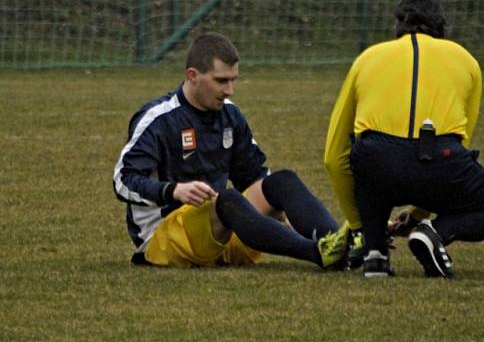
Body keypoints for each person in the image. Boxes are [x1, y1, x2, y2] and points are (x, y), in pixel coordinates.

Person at [113, 32, 349, 269]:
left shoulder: (230, 114)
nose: (230, 90)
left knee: (282, 181)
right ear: (193, 76)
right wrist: (173, 190)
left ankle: (345, 244)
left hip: (223, 229)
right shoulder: (159, 119)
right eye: (221, 81)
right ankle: (318, 253)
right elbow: (123, 181)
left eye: (233, 80)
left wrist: (282, 213)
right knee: (227, 199)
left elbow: (252, 176)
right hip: (168, 238)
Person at [323, 0, 484, 278]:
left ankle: (375, 251)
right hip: (439, 159)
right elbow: (461, 140)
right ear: (442, 28)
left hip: (377, 162)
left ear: (397, 28)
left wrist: (358, 225)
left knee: (367, 152)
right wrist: (421, 214)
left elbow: (334, 156)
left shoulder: (367, 58)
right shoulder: (467, 61)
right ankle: (435, 233)